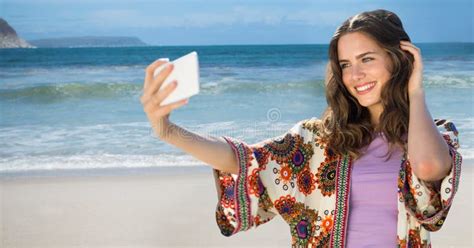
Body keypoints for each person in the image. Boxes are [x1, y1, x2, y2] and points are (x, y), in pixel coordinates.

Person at [140, 9, 462, 248]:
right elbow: (247, 161)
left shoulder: (434, 135)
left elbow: (428, 167)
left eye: (367, 59)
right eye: (346, 65)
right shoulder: (319, 140)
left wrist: (415, 90)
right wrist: (169, 131)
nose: (356, 75)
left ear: (397, 59)